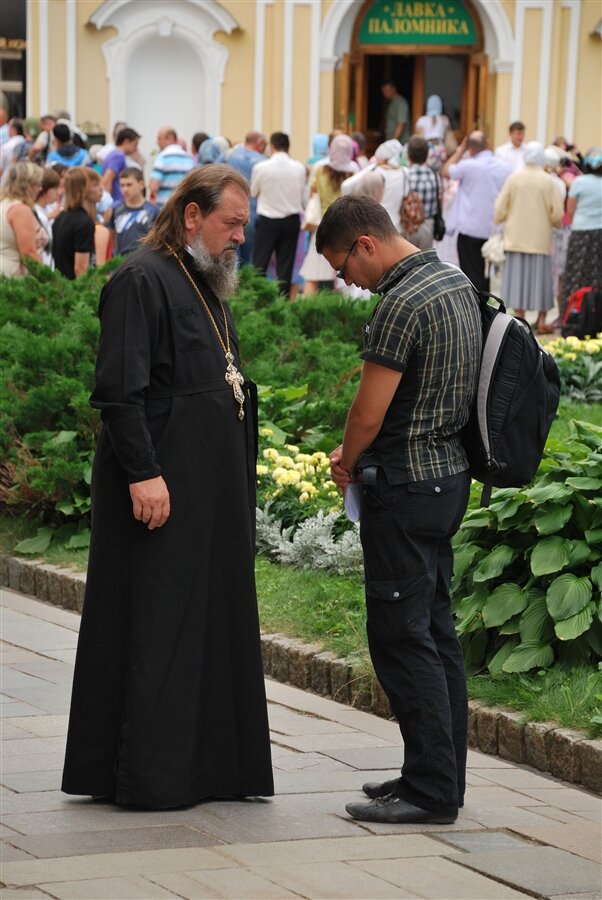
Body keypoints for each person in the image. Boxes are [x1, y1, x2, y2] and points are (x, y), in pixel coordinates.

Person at [61, 164, 274, 809]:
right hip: (160, 488)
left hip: (207, 489)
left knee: (208, 621)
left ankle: (210, 769)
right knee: (158, 625)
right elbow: (121, 394)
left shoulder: (203, 279)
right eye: (231, 223)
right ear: (191, 216)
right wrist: (145, 473)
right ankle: (151, 774)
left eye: (244, 224)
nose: (241, 236)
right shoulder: (138, 279)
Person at [315, 195, 481, 825]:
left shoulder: (399, 303)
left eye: (341, 268)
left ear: (364, 243)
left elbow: (368, 410)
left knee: (402, 638)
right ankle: (435, 776)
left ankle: (431, 792)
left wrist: (347, 456)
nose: (345, 282)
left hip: (405, 488)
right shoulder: (452, 279)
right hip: (447, 480)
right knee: (435, 633)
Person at [494, 142, 564, 333]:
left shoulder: (514, 178)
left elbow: (500, 207)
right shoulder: (549, 181)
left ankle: (521, 318)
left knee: (518, 280)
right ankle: (542, 320)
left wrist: (501, 218)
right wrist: (553, 223)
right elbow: (557, 214)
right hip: (540, 239)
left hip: (516, 237)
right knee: (541, 280)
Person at [441, 131, 511, 291]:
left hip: (470, 227)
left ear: (470, 148)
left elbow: (445, 171)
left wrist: (460, 150)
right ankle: (486, 308)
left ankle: (476, 309)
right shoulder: (504, 167)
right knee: (486, 275)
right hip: (493, 228)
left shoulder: (468, 165)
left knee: (471, 275)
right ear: (487, 144)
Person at [300, 134, 358, 294]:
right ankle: (340, 313)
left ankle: (305, 312)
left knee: (312, 274)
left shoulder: (319, 167)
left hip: (322, 226)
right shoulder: (354, 169)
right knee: (345, 274)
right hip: (346, 228)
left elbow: (309, 195)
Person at [251, 131, 306, 296]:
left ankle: (256, 299)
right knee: (286, 266)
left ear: (271, 146)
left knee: (260, 263)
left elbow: (253, 192)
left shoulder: (261, 167)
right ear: (288, 147)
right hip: (291, 220)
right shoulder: (300, 168)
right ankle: (282, 301)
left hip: (268, 219)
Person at [561, 147, 602, 314]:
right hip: (599, 231)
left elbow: (570, 209)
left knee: (576, 273)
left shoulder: (579, 182)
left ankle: (574, 311)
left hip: (580, 232)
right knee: (597, 273)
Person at [219, 131, 267, 265]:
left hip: (226, 212)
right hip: (251, 214)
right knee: (247, 258)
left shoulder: (228, 154)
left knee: (229, 255)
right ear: (259, 143)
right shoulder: (263, 161)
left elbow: (213, 175)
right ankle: (244, 284)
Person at [342, 140, 409, 233]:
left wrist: (371, 167)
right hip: (399, 228)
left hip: (378, 228)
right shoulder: (406, 172)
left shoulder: (376, 171)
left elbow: (345, 187)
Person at [0, 161, 43, 277]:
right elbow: (29, 254)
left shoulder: (3, 203)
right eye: (38, 184)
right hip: (11, 279)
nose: (40, 189)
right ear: (28, 185)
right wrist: (48, 281)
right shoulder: (20, 210)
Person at [51, 166, 96, 278]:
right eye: (95, 185)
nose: (101, 188)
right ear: (85, 188)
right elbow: (81, 269)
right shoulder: (84, 222)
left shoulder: (61, 217)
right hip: (74, 290)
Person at [400, 135, 441, 250]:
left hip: (407, 224)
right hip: (427, 224)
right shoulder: (434, 175)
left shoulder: (404, 174)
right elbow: (439, 199)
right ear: (427, 155)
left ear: (408, 155)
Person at [110, 167, 158, 256]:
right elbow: (111, 236)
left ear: (141, 184)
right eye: (122, 185)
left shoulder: (153, 210)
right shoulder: (115, 208)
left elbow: (156, 240)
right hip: (120, 261)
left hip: (144, 260)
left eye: (129, 185)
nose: (125, 189)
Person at [149, 127, 195, 207]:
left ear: (169, 138)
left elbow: (153, 186)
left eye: (159, 138)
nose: (157, 142)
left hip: (164, 208)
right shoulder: (189, 158)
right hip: (182, 207)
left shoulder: (162, 157)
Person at [101, 127, 141, 203]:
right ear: (126, 142)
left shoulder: (113, 154)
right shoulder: (118, 156)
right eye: (135, 144)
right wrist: (108, 203)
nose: (136, 148)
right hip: (116, 201)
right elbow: (107, 180)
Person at [34, 166, 61, 268]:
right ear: (44, 189)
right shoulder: (38, 214)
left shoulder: (45, 210)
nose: (58, 192)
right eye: (55, 188)